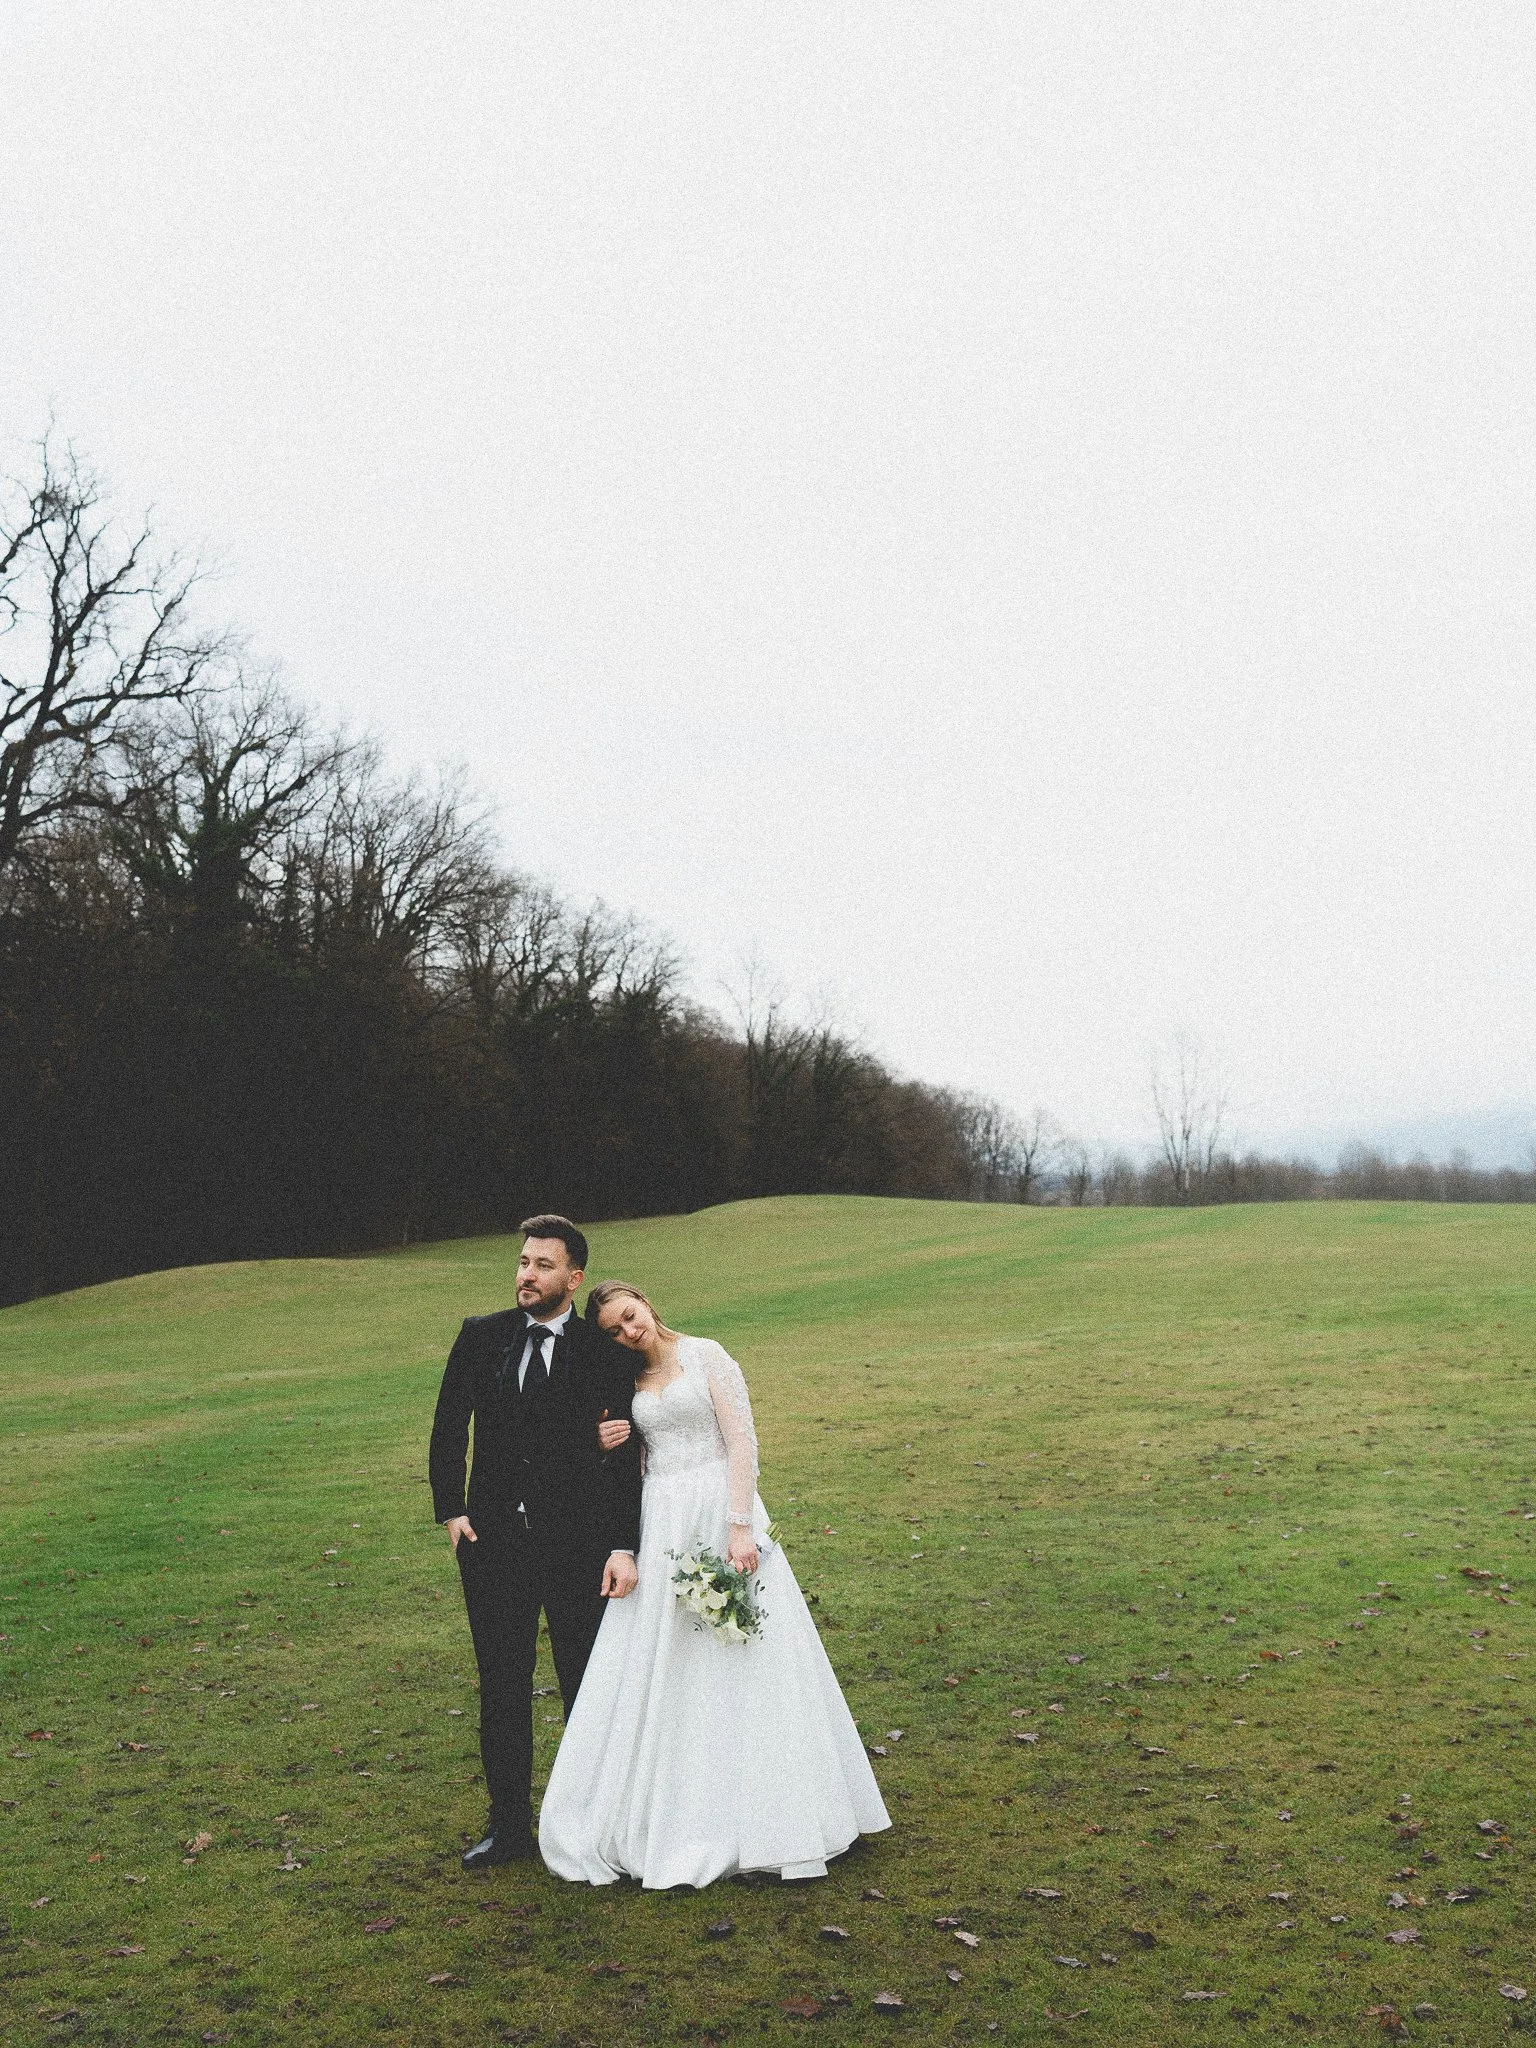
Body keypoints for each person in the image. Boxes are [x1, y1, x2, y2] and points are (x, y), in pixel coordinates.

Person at [536, 1281, 890, 1887]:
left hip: (721, 1506)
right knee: (673, 1655)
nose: (628, 1331)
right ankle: (673, 1807)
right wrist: (599, 1446)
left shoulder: (708, 1355)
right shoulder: (627, 1384)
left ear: (644, 1302)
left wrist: (740, 1526)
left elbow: (741, 1440)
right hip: (662, 1516)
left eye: (629, 1316)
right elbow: (629, 1461)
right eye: (615, 1331)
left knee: (748, 1652)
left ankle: (777, 1815)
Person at [428, 1216, 641, 1868]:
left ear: (573, 1279)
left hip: (576, 1546)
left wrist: (620, 1543)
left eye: (543, 1265)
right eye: (523, 1262)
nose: (527, 1274)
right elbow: (448, 1424)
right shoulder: (481, 1337)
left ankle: (588, 1827)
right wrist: (451, 1510)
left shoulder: (602, 1350)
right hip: (493, 1545)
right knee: (502, 1686)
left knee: (584, 1683)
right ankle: (509, 1829)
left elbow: (626, 1456)